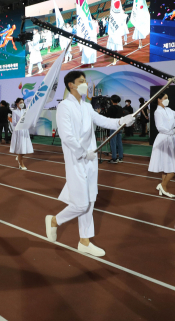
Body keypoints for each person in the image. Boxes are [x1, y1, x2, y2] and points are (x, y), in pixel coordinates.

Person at [45, 71, 135, 257]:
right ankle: (54, 220)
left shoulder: (86, 107)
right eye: (81, 81)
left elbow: (102, 120)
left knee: (90, 201)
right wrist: (82, 153)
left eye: (85, 81)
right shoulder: (65, 107)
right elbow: (66, 135)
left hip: (91, 161)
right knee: (81, 204)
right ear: (71, 85)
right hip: (76, 160)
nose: (86, 84)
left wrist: (121, 121)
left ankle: (84, 242)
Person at [10, 98, 33, 170]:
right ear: (17, 103)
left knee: (26, 148)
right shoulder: (14, 112)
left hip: (25, 131)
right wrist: (21, 123)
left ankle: (19, 156)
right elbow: (13, 122)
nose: (22, 103)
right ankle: (21, 164)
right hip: (18, 131)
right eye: (20, 102)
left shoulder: (25, 111)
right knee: (21, 148)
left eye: (22, 102)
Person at [106, 95, 125, 163]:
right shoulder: (120, 108)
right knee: (119, 141)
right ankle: (120, 157)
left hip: (113, 126)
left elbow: (107, 116)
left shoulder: (111, 108)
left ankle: (114, 158)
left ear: (112, 100)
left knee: (113, 142)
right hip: (120, 126)